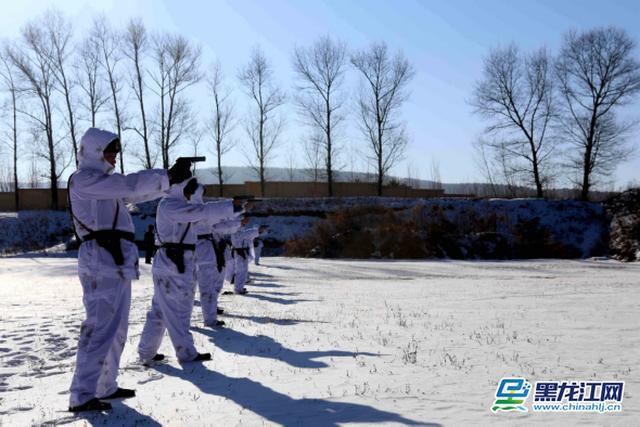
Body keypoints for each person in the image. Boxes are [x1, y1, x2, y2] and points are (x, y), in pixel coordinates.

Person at [67, 128, 190, 413]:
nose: (113, 157)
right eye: (109, 151)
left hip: (114, 261)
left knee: (117, 328)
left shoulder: (104, 184)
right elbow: (128, 185)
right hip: (100, 259)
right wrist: (165, 176)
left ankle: (104, 386)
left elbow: (135, 191)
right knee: (99, 327)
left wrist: (168, 183)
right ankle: (81, 394)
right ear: (95, 151)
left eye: (115, 152)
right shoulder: (83, 180)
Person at [137, 178, 233, 365]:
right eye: (189, 190)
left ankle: (146, 351)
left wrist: (236, 211)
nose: (191, 195)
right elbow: (201, 212)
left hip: (173, 262)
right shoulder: (171, 205)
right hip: (174, 262)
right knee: (179, 310)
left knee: (159, 310)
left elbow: (207, 219)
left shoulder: (175, 206)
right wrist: (231, 206)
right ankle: (186, 352)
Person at [190, 185, 241, 327]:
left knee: (189, 291)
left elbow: (220, 222)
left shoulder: (183, 208)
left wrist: (237, 215)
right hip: (203, 251)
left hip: (189, 250)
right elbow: (217, 217)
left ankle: (184, 322)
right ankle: (209, 320)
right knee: (207, 289)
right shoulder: (199, 210)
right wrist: (234, 207)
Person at [229, 219, 260, 294]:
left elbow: (247, 235)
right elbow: (246, 234)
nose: (244, 224)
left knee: (242, 271)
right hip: (240, 253)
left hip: (241, 252)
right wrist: (257, 231)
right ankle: (238, 289)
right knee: (241, 272)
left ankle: (239, 288)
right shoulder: (237, 232)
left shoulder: (239, 232)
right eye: (242, 223)